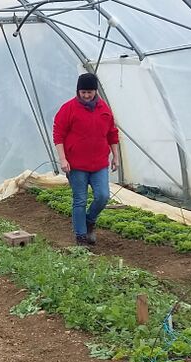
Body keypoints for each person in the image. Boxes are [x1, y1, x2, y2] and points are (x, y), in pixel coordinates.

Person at [53, 72, 119, 246]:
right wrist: (63, 159)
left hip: (99, 164)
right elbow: (58, 135)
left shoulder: (104, 109)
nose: (86, 95)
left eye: (90, 92)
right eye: (83, 92)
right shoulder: (68, 109)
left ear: (95, 91)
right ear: (78, 91)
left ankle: (89, 220)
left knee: (103, 196)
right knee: (80, 199)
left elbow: (112, 133)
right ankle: (81, 235)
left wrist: (116, 157)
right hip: (76, 165)